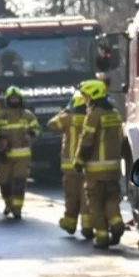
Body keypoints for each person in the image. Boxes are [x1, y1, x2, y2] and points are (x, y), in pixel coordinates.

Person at [74, 79, 126, 247]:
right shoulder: (115, 113)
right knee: (112, 198)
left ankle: (102, 237)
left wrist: (78, 161)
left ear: (93, 95)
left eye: (86, 96)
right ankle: (117, 223)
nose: (86, 100)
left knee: (95, 203)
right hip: (114, 169)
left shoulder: (93, 114)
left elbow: (87, 141)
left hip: (95, 170)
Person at [0, 87, 38, 220]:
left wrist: (30, 134)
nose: (14, 100)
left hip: (22, 155)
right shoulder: (0, 115)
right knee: (3, 182)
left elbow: (37, 128)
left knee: (19, 182)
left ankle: (17, 210)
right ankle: (8, 204)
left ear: (20, 100)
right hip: (5, 156)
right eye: (12, 98)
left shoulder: (27, 115)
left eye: (16, 98)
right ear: (7, 100)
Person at [51, 87, 90, 235]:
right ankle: (88, 225)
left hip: (70, 167)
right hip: (88, 165)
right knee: (87, 196)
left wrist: (65, 111)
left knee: (72, 196)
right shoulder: (92, 118)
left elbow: (51, 125)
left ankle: (70, 223)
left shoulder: (67, 119)